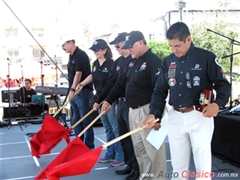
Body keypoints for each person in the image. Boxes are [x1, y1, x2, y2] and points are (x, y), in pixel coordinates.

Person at [143, 22, 231, 180]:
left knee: (202, 164)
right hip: (175, 115)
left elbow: (223, 84)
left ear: (188, 39)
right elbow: (160, 90)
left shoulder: (206, 58)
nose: (174, 50)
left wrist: (217, 104)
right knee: (178, 165)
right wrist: (153, 114)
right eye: (170, 46)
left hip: (199, 116)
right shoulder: (168, 61)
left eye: (177, 45)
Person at [101, 31, 167, 180]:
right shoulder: (132, 61)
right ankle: (145, 177)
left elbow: (160, 91)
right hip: (133, 111)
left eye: (132, 46)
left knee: (154, 151)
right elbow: (120, 83)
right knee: (140, 150)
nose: (129, 49)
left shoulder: (153, 61)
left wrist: (157, 116)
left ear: (141, 43)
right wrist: (108, 100)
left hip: (148, 111)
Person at [93, 33, 140, 180]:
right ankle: (130, 164)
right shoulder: (118, 62)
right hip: (120, 102)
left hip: (133, 103)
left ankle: (138, 168)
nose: (118, 50)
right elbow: (113, 83)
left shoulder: (134, 61)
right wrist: (102, 99)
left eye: (119, 46)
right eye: (117, 47)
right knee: (123, 134)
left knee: (134, 137)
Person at [78, 39, 124, 167]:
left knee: (115, 128)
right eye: (94, 50)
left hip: (109, 99)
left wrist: (107, 100)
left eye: (97, 50)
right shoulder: (95, 64)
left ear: (104, 50)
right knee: (108, 128)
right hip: (98, 98)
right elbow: (93, 76)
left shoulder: (111, 64)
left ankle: (120, 155)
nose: (95, 52)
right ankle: (110, 153)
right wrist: (81, 84)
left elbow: (112, 83)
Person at [61, 35, 94, 150]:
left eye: (64, 44)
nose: (63, 47)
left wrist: (72, 89)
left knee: (85, 120)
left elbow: (78, 74)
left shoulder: (80, 54)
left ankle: (89, 145)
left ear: (71, 42)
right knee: (75, 120)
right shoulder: (71, 56)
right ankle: (79, 144)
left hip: (82, 92)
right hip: (75, 93)